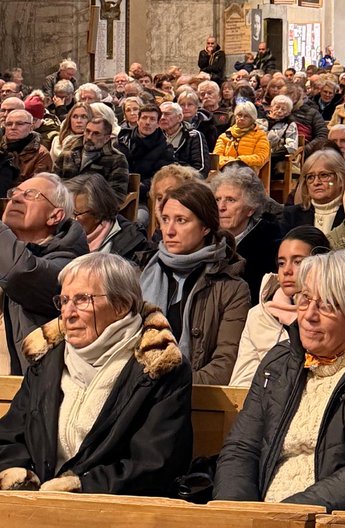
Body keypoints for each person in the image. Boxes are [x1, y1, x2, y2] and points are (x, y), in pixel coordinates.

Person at [213, 249, 345, 510]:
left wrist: (280, 518)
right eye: (304, 299)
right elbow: (241, 449)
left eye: (327, 305)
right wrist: (239, 515)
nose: (309, 315)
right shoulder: (279, 363)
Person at [0, 252, 192, 495]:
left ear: (121, 306)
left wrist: (82, 487)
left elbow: (155, 464)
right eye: (64, 300)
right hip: (37, 503)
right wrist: (22, 475)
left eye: (82, 300)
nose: (68, 313)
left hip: (112, 510)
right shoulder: (47, 360)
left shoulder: (158, 367)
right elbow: (9, 437)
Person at [140, 181, 250, 383]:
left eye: (181, 220)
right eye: (165, 219)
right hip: (139, 392)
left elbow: (224, 364)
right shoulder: (141, 272)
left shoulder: (231, 288)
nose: (169, 230)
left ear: (206, 227)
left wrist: (170, 392)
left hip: (191, 397)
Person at [0, 174, 89, 372]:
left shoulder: (70, 267)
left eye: (31, 195)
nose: (15, 198)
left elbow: (21, 274)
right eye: (14, 193)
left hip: (23, 393)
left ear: (55, 216)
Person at [230, 226, 330, 385]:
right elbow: (241, 381)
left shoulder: (330, 315)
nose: (287, 271)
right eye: (281, 263)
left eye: (298, 262)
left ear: (322, 264)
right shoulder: (259, 315)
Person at [210, 167, 283, 305]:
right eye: (218, 199)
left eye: (230, 200)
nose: (221, 207)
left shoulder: (269, 248)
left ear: (251, 209)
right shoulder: (205, 238)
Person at [66, 173, 155, 267]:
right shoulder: (62, 233)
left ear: (98, 214)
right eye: (67, 212)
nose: (70, 219)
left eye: (76, 213)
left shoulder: (131, 244)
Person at [54, 103, 129, 201]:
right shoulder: (69, 151)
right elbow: (54, 180)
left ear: (107, 138)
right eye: (87, 131)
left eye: (96, 134)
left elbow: (117, 195)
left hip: (95, 209)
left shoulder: (116, 159)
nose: (89, 137)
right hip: (64, 203)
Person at [117, 103, 175, 210]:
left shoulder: (165, 148)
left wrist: (139, 186)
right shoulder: (123, 141)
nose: (147, 123)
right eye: (144, 118)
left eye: (152, 119)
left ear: (158, 124)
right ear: (138, 121)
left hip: (144, 199)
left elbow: (160, 177)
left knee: (139, 218)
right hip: (117, 192)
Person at [284, 149, 345, 234]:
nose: (316, 182)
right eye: (310, 177)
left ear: (340, 179)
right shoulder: (291, 215)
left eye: (324, 175)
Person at [0, 107, 52, 194]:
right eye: (9, 124)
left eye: (19, 124)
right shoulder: (1, 150)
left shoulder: (41, 153)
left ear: (31, 127)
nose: (13, 127)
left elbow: (37, 186)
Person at [213, 103, 271, 173]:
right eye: (239, 115)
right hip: (225, 170)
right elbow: (216, 157)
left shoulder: (260, 135)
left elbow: (260, 158)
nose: (242, 118)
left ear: (252, 119)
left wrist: (239, 161)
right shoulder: (224, 135)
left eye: (246, 116)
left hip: (248, 173)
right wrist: (231, 162)